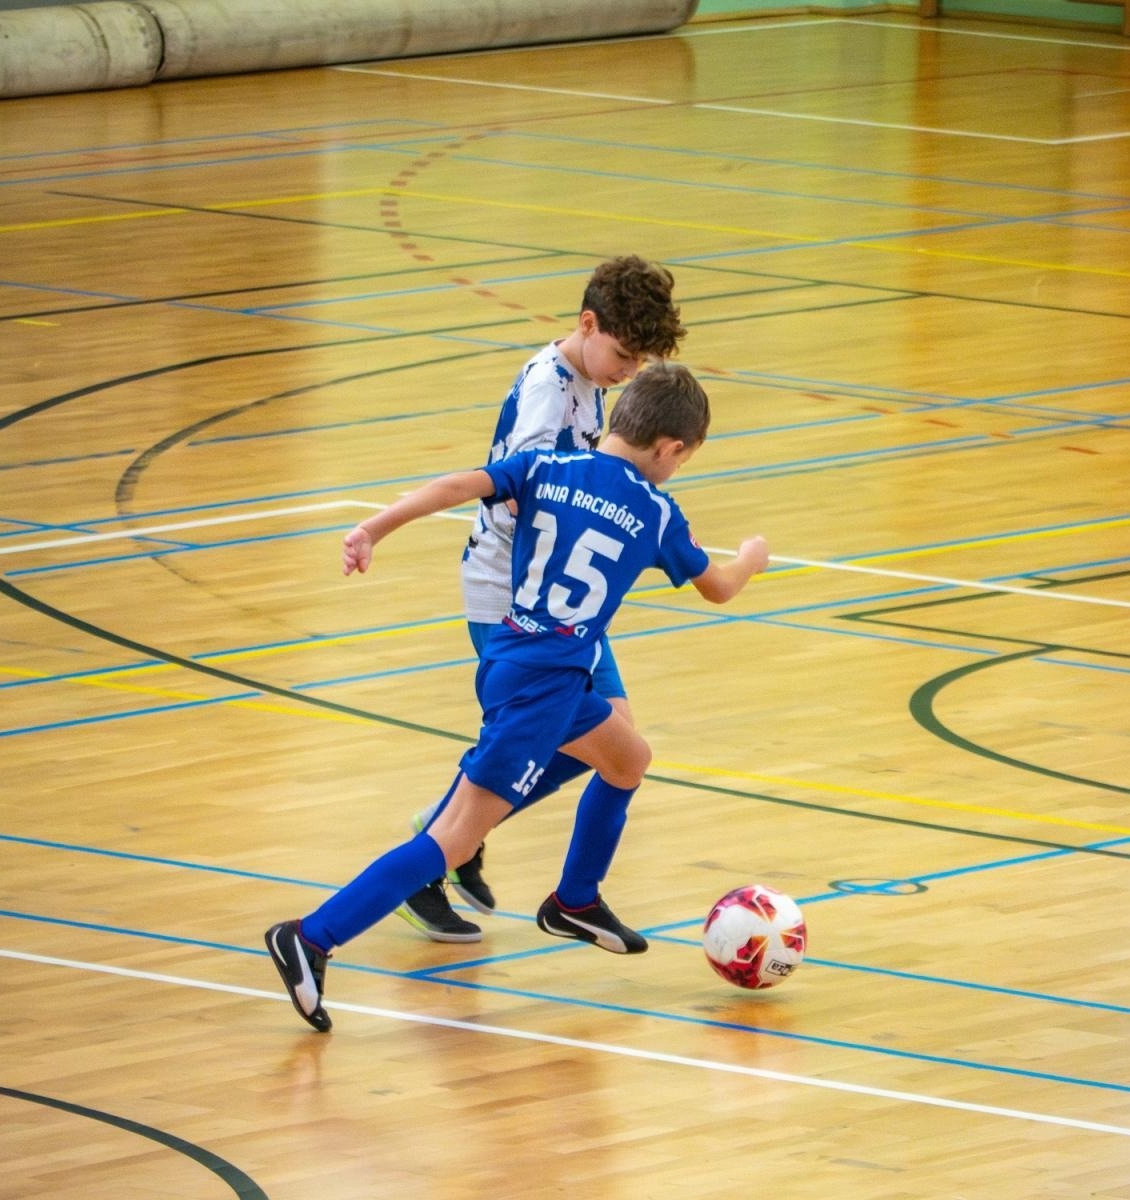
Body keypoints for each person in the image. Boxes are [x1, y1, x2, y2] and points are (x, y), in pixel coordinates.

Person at [265, 363, 768, 1033]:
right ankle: (311, 936)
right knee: (451, 839)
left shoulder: (547, 466)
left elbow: (453, 487)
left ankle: (575, 900)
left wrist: (375, 529)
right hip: (543, 689)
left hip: (516, 658)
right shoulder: (656, 513)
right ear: (672, 449)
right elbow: (721, 587)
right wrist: (752, 558)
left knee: (626, 758)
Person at [398, 255, 687, 943]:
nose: (628, 370)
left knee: (615, 744)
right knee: (595, 745)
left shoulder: (588, 383)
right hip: (516, 594)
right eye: (622, 353)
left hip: (562, 601)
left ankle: (455, 830)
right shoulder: (546, 393)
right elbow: (511, 494)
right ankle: (439, 852)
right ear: (587, 325)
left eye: (639, 359)